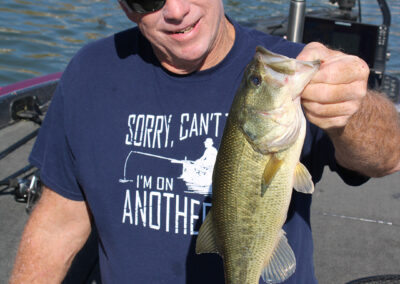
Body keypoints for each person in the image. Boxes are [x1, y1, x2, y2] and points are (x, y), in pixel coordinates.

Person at [9, 0, 400, 283]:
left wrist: (352, 109)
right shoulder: (90, 74)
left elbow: (388, 155)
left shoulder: (288, 72)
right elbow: (58, 222)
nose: (176, 10)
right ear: (125, 6)